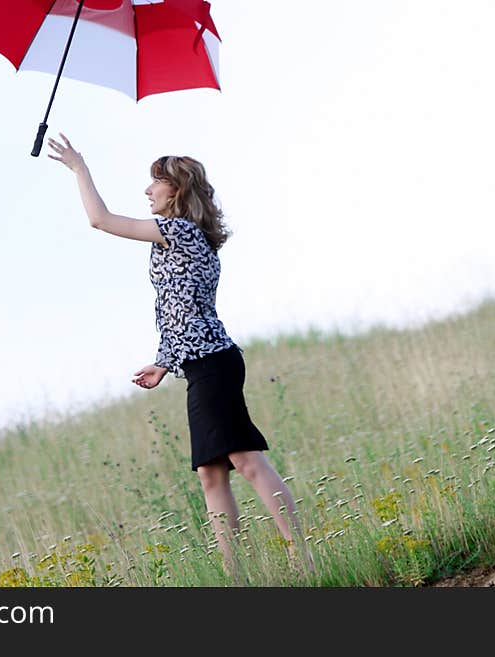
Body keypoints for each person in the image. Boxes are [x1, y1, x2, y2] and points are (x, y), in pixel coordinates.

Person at [47, 133, 313, 579]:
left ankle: (301, 557)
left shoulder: (179, 230)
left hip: (213, 365)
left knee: (246, 461)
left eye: (156, 182)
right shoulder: (181, 237)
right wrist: (165, 361)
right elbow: (182, 308)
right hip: (201, 364)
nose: (148, 190)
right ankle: (236, 576)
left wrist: (79, 168)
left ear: (178, 190)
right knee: (211, 473)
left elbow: (100, 219)